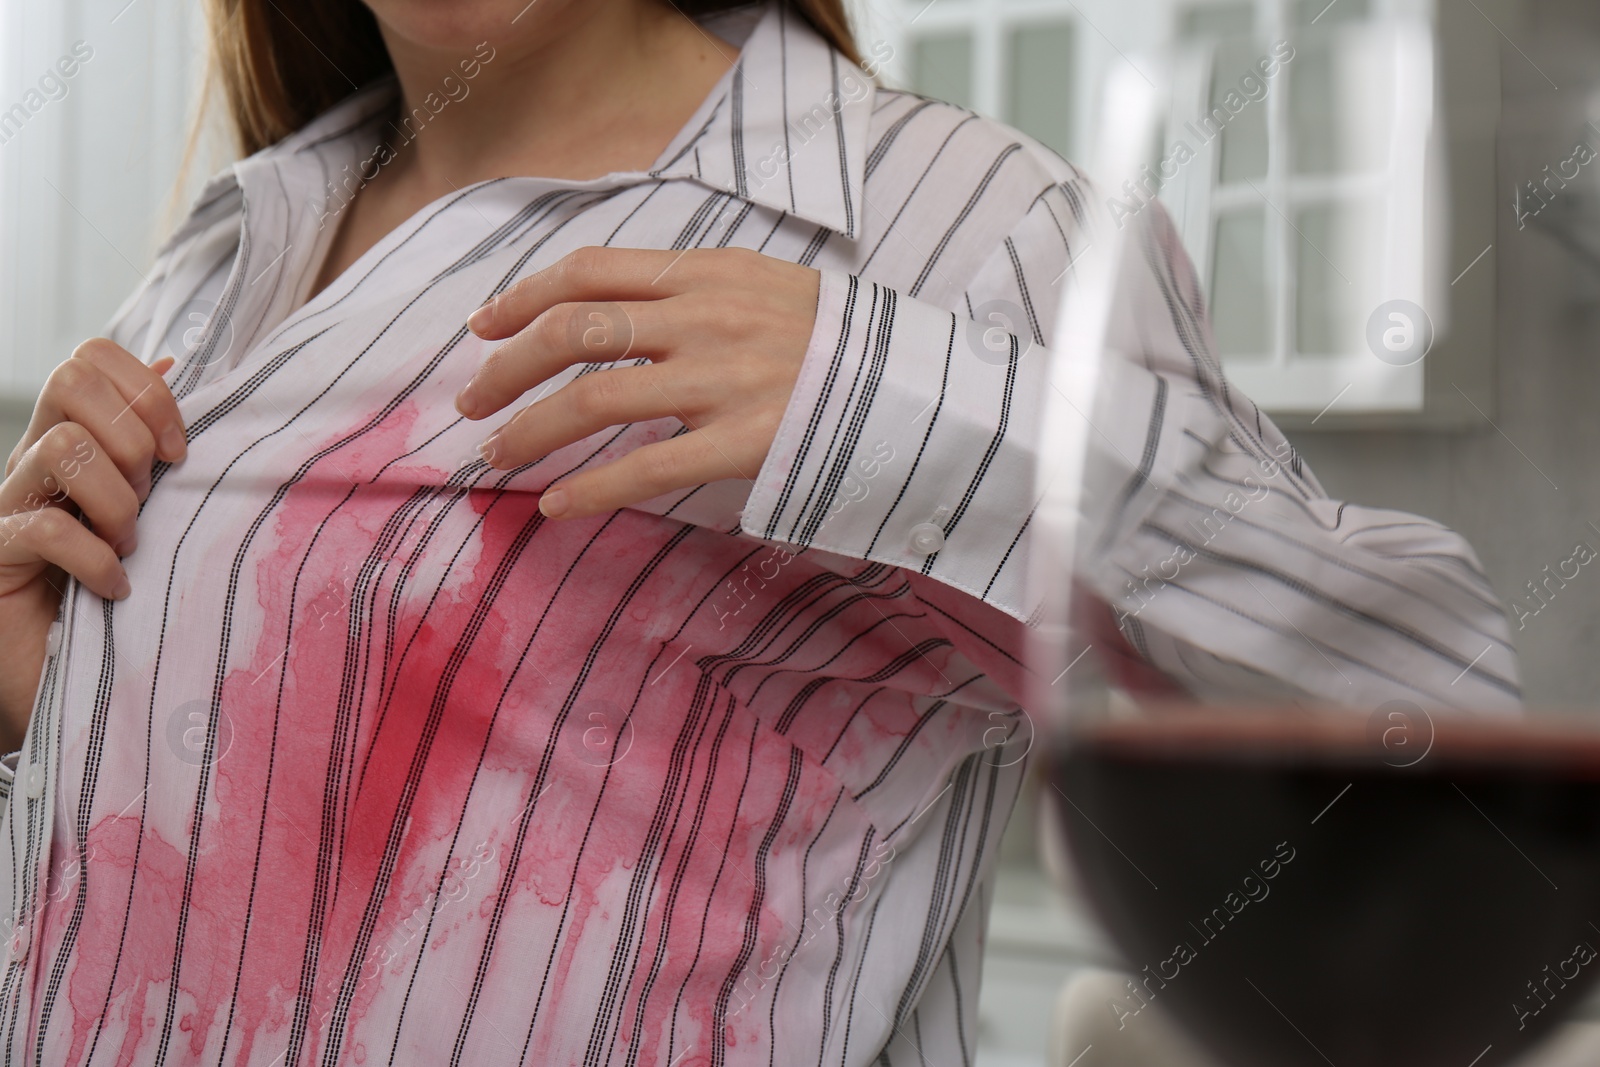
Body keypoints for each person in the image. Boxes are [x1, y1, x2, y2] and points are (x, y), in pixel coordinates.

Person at [0, 0, 1518, 1063]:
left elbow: (1455, 748)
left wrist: (898, 399)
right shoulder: (222, 260)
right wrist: (36, 712)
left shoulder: (962, 234)